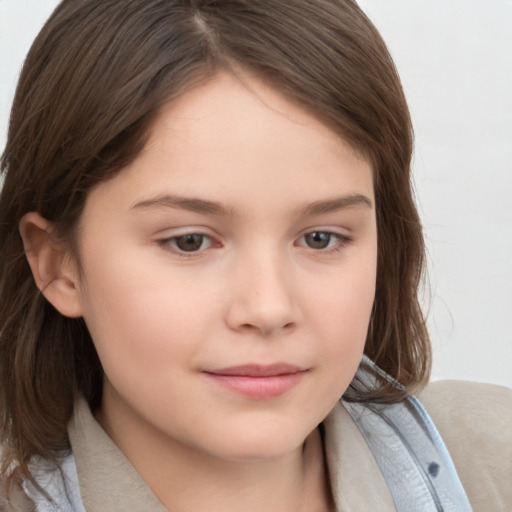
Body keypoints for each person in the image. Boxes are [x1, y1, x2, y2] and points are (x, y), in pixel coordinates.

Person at [0, 1, 510, 511]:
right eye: (189, 241)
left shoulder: (493, 463)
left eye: (320, 238)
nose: (268, 309)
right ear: (57, 264)